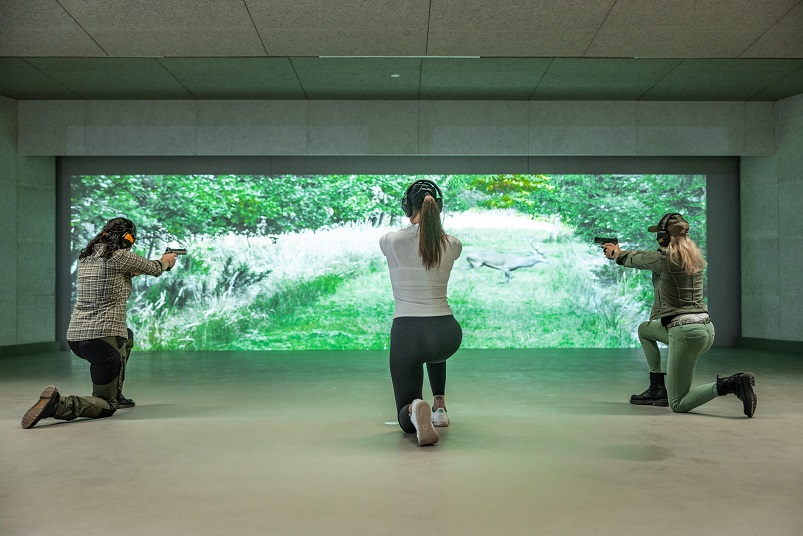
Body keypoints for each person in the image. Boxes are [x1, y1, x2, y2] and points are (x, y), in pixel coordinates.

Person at [21, 217, 178, 429]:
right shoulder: (120, 255)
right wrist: (167, 260)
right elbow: (157, 267)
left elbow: (115, 273)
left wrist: (135, 270)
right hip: (103, 341)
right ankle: (59, 405)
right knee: (106, 404)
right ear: (127, 238)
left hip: (77, 338)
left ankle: (117, 392)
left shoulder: (87, 256)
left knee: (127, 336)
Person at [601, 213, 757, 417]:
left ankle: (731, 384)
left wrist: (615, 253)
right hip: (705, 329)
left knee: (678, 403)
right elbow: (646, 256)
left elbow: (635, 259)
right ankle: (657, 388)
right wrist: (620, 251)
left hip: (685, 333)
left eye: (658, 234)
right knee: (645, 330)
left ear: (664, 237)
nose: (656, 238)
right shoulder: (694, 257)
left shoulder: (664, 259)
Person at [380, 180, 463, 446]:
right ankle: (439, 407)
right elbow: (431, 239)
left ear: (407, 208)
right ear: (438, 207)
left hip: (408, 334)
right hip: (446, 335)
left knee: (405, 415)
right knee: (432, 351)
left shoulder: (390, 241)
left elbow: (411, 239)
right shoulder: (454, 244)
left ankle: (415, 410)